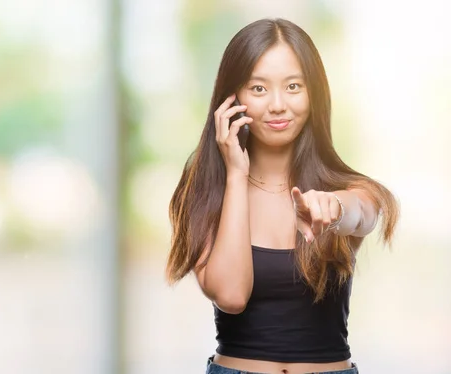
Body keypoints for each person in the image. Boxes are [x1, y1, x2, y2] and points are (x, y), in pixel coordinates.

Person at [166, 18, 399, 374]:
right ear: (232, 98)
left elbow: (362, 213)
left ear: (314, 94)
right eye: (258, 89)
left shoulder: (350, 188)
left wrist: (334, 209)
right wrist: (236, 174)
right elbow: (231, 295)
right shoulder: (204, 190)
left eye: (293, 86)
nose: (277, 105)